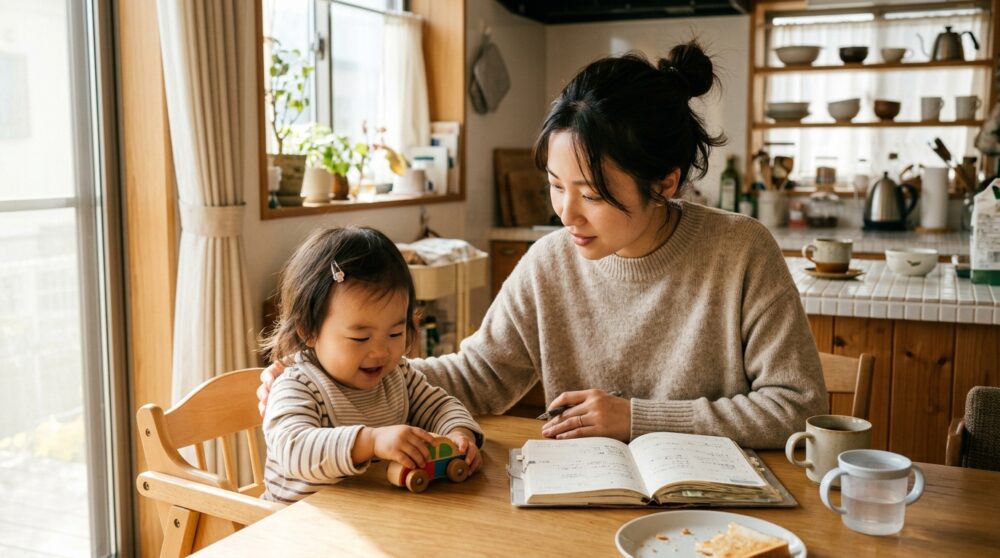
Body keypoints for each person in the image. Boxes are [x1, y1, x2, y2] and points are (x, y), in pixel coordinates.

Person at [260, 41, 826, 449]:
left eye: (593, 194)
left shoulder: (741, 251)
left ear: (666, 182)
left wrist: (637, 418)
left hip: (718, 514)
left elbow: (797, 409)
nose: (566, 214)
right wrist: (329, 379)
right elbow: (477, 375)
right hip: (583, 504)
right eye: (556, 187)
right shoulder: (551, 262)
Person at [259, 226, 483, 503]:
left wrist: (459, 434)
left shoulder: (398, 375)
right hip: (296, 530)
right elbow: (293, 450)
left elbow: (441, 406)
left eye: (395, 334)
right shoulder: (299, 385)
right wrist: (372, 442)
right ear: (309, 331)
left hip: (374, 521)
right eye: (360, 337)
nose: (380, 351)